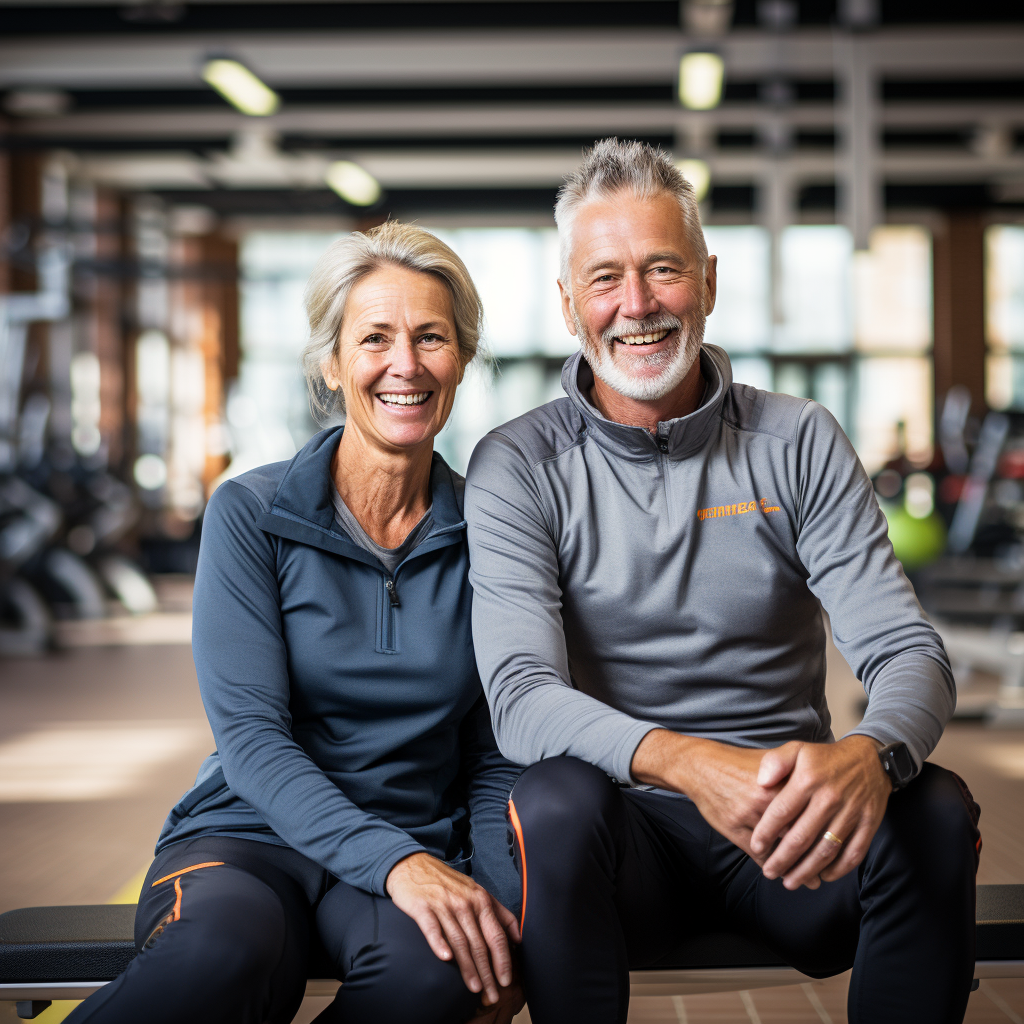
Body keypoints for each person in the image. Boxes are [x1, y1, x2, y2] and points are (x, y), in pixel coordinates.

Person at [464, 139, 981, 1024]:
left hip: (792, 839)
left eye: (662, 269)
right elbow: (519, 694)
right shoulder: (519, 464)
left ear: (707, 278)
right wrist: (692, 765)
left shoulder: (798, 441)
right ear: (567, 304)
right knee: (551, 799)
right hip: (621, 851)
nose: (637, 305)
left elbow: (905, 649)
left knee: (931, 805)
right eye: (604, 278)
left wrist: (869, 757)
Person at [69, 222, 523, 1024]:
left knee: (443, 972)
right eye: (374, 337)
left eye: (431, 338)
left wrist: (506, 903)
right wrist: (395, 865)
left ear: (462, 358)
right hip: (248, 839)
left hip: (414, 838)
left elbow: (495, 751)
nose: (405, 364)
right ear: (331, 363)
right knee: (221, 960)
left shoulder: (493, 530)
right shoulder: (251, 513)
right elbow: (251, 740)